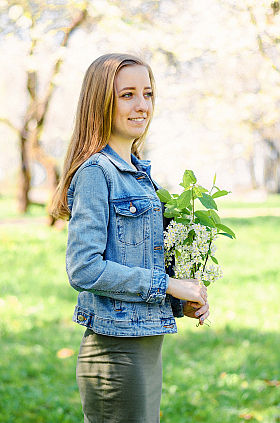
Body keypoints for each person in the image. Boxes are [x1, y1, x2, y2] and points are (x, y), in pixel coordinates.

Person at [50, 53, 210, 423]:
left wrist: (178, 302)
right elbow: (84, 269)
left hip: (143, 346)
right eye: (128, 95)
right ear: (101, 102)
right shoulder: (97, 173)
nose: (142, 106)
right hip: (115, 353)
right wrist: (169, 285)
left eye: (148, 93)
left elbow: (138, 259)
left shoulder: (138, 174)